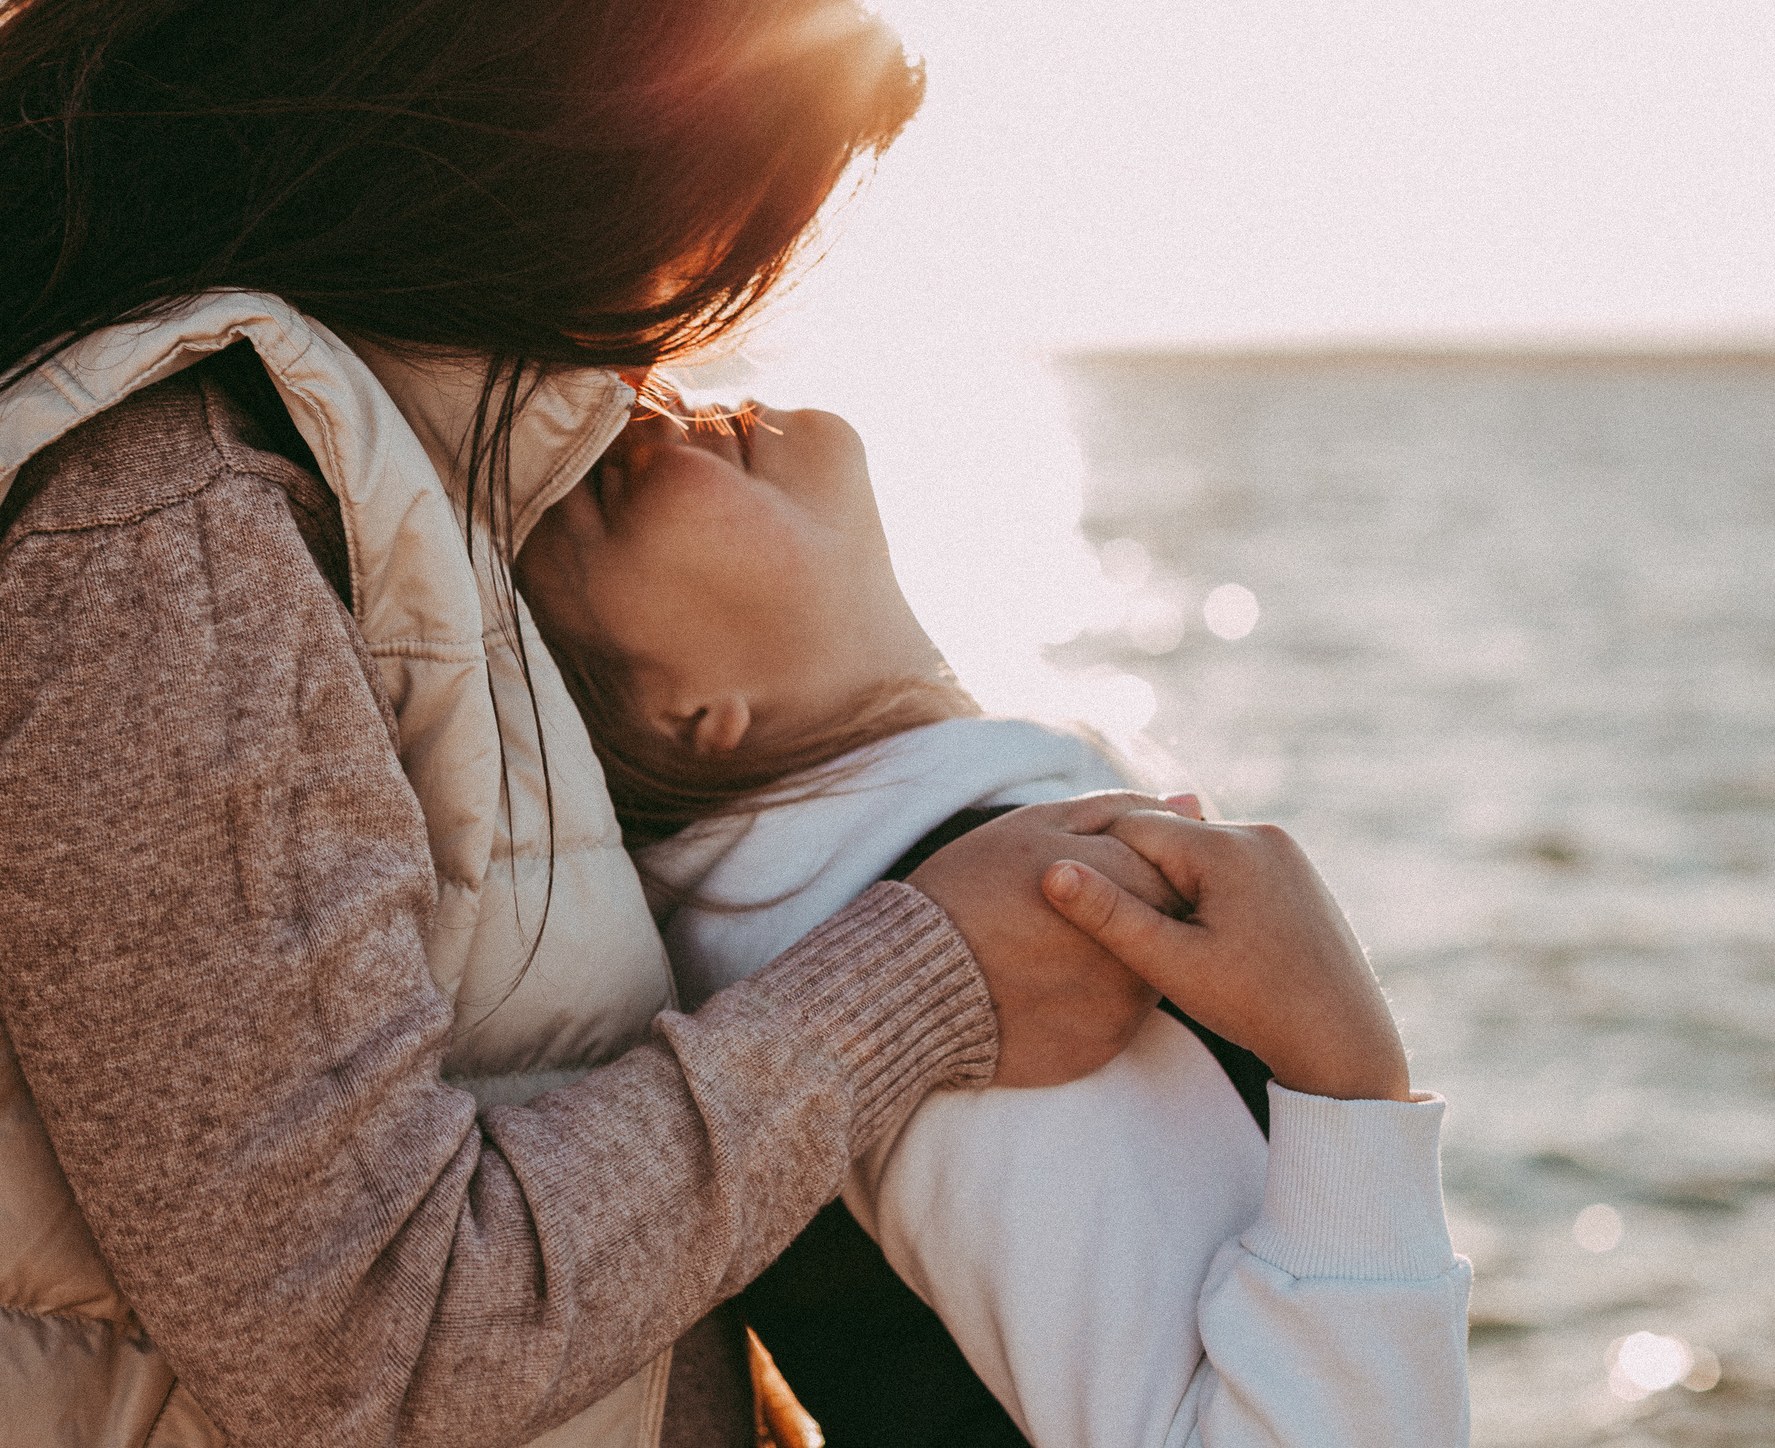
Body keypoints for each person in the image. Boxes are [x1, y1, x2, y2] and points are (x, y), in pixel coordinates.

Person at [0, 0, 1204, 1447]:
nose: (653, 348)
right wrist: (920, 982)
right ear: (560, 154)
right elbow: (366, 1337)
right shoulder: (152, 534)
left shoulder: (100, 436)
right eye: (691, 251)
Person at [517, 401, 1473, 1446]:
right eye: (601, 487)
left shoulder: (861, 898)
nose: (644, 412)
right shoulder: (984, 969)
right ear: (694, 714)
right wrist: (1349, 1074)